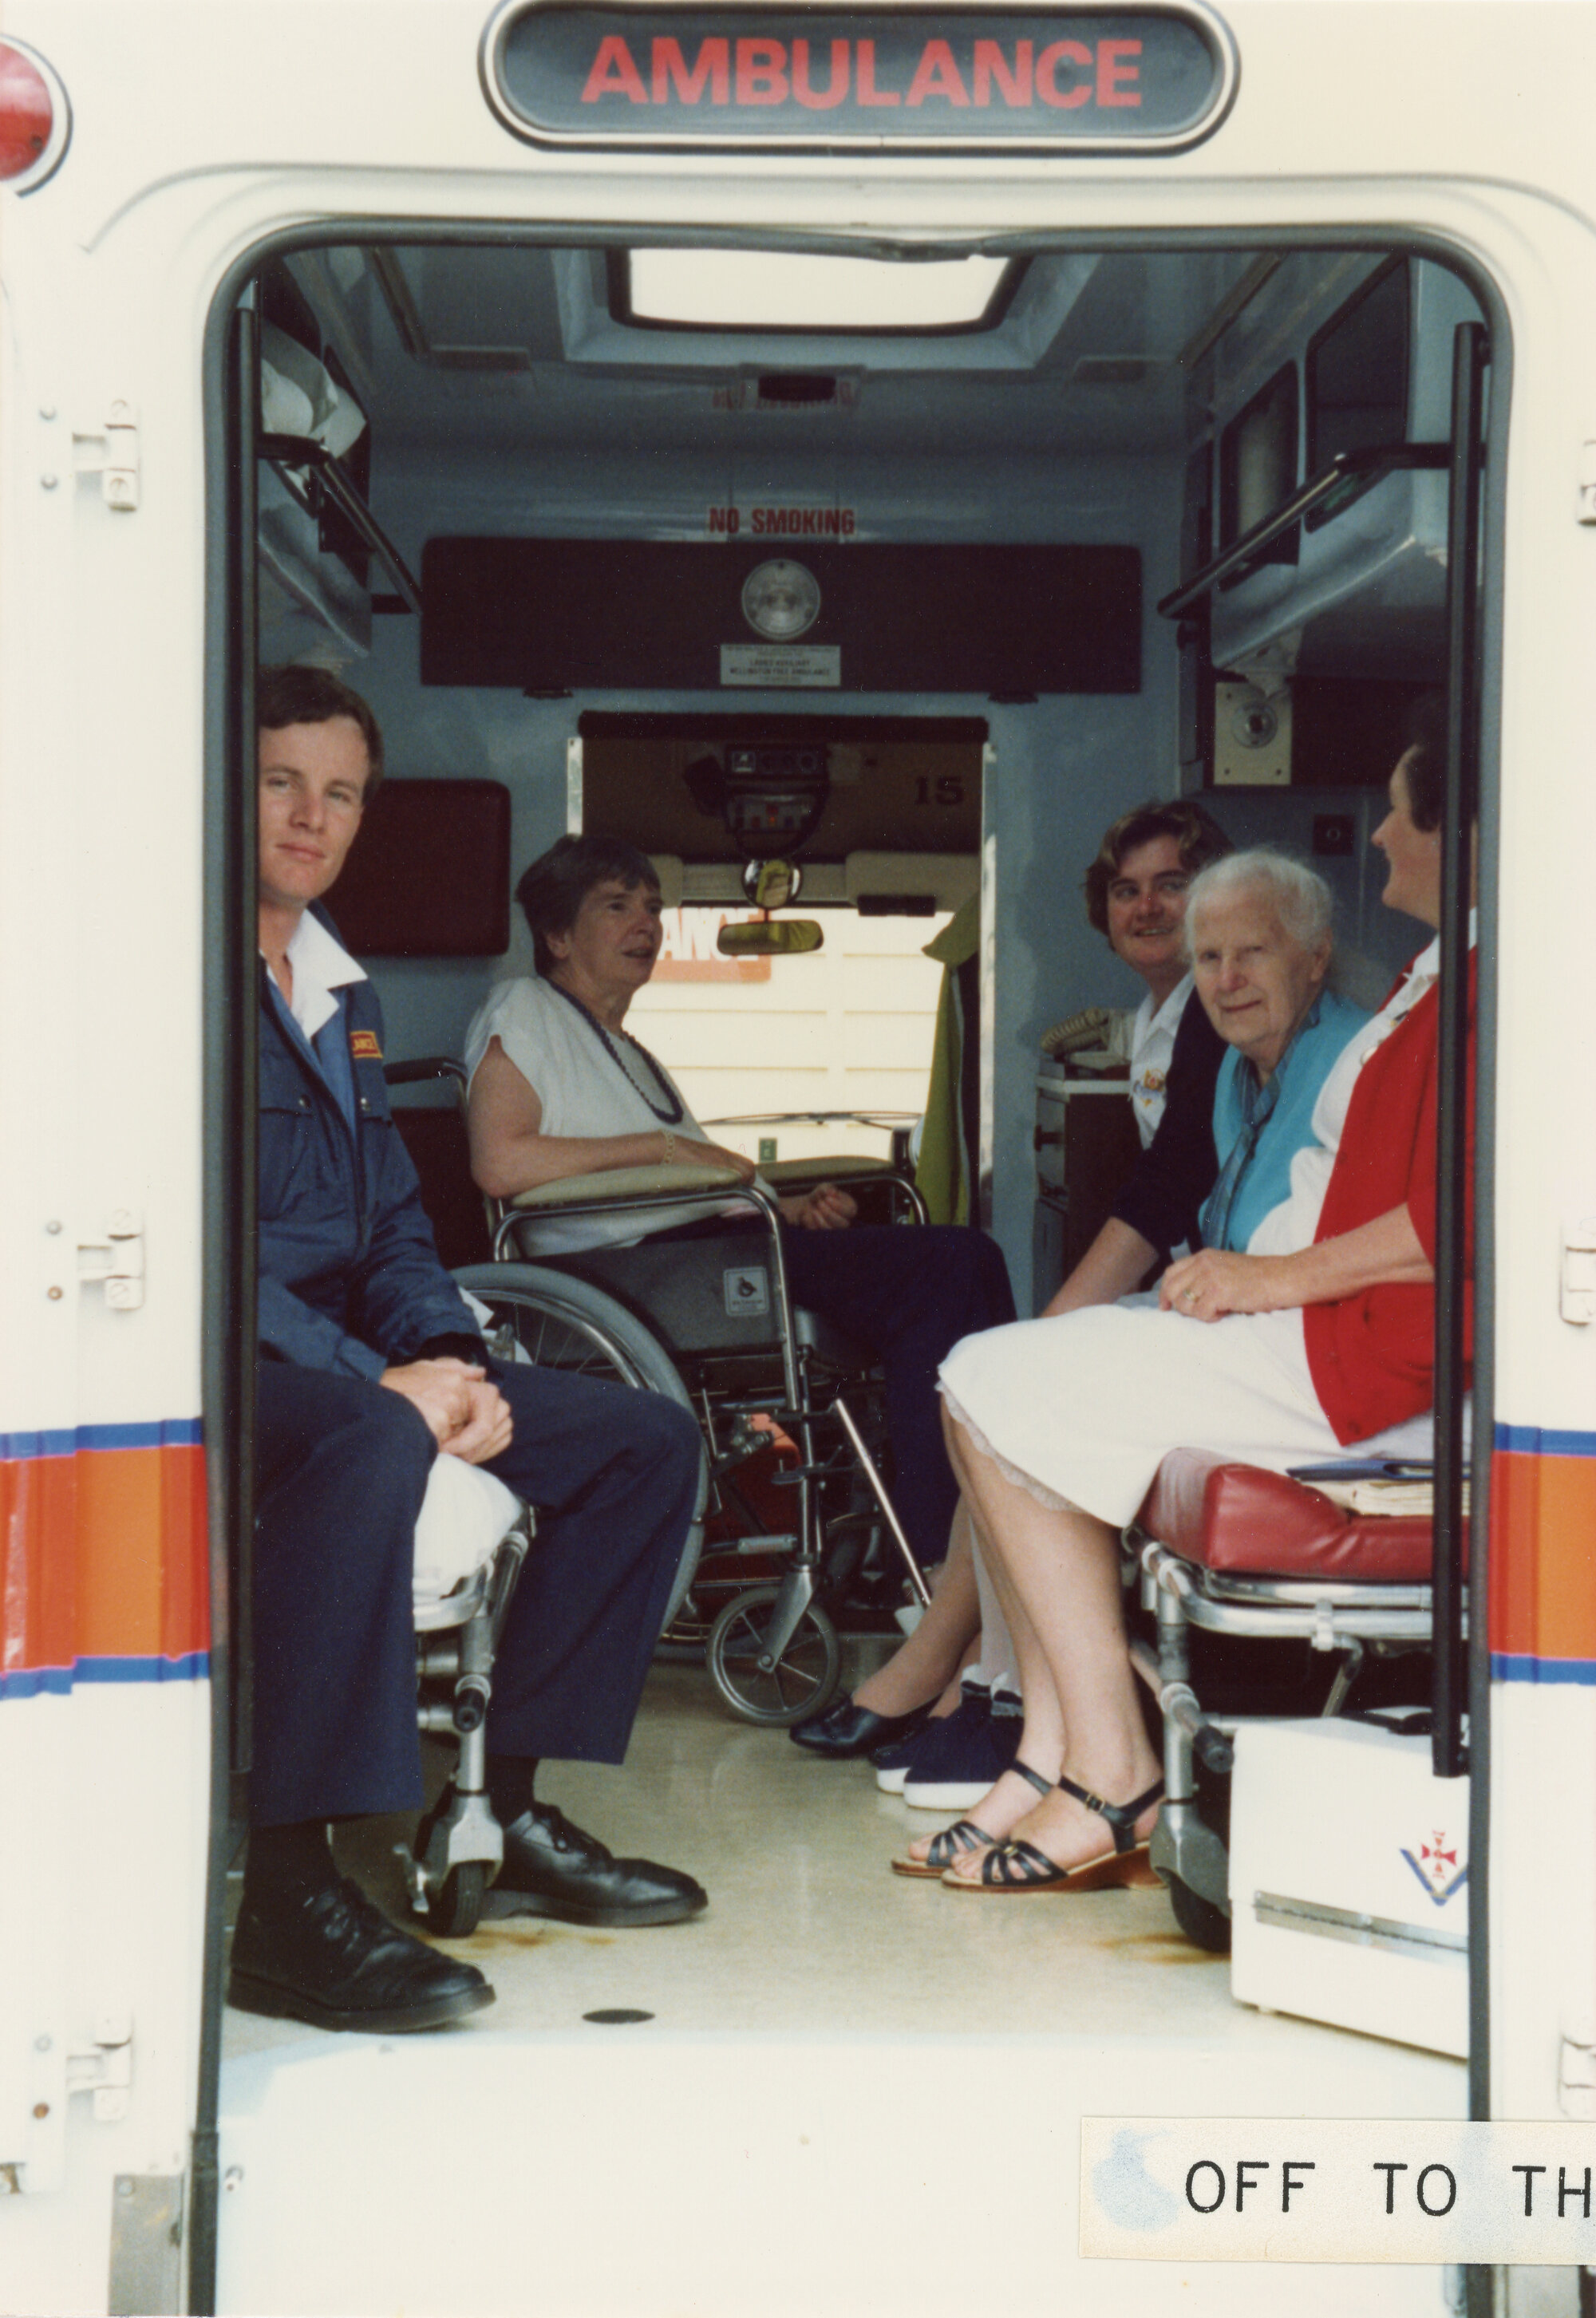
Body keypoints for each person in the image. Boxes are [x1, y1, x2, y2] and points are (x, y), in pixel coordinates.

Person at [915, 701, 1471, 1891]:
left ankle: (1112, 1770)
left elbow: (1467, 1221)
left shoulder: (1493, 988)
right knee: (983, 1380)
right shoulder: (1438, 976)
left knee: (985, 1374)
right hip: (1317, 1332)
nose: (1375, 837)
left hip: (1360, 1367)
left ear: (1458, 824)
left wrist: (1261, 1279)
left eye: (1396, 810)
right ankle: (1053, 1750)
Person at [232, 667, 708, 2036]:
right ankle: (285, 1895)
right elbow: (202, 1235)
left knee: (642, 1441)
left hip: (361, 1351)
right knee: (371, 1432)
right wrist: (379, 1379)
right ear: (229, 785)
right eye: (282, 783)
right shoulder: (183, 973)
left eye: (341, 793)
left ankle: (510, 1804)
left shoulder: (335, 986)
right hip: (235, 1359)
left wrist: (454, 1355)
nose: (313, 816)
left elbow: (389, 1217)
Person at [462, 834, 1018, 1759]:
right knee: (952, 1268)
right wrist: (663, 1151)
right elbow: (503, 1161)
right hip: (637, 1274)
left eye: (651, 904)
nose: (646, 923)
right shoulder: (522, 1007)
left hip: (701, 1244)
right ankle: (942, 1572)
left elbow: (699, 1178)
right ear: (556, 935)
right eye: (616, 905)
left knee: (953, 1266)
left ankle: (958, 1565)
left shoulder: (623, 1046)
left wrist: (788, 1205)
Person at [867, 797, 1235, 1807]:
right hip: (1196, 1289)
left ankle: (980, 1684)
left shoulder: (1210, 1006)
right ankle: (970, 1675)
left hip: (1225, 1297)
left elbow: (1169, 1185)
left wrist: (1060, 1318)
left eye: (1171, 884)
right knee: (985, 1382)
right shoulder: (1166, 1013)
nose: (1146, 907)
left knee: (998, 1385)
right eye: (1126, 889)